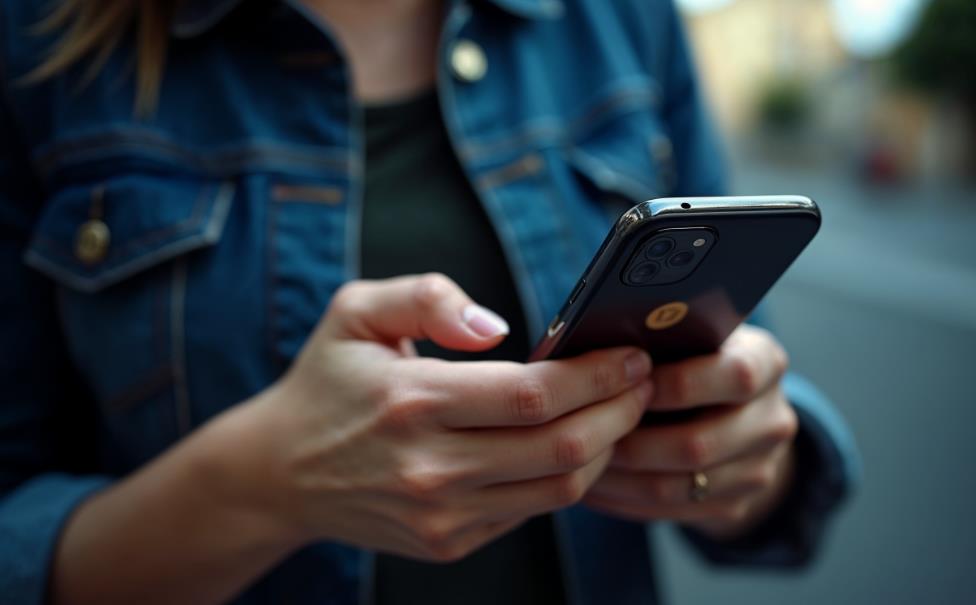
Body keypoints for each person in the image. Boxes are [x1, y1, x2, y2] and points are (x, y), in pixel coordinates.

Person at [0, 0, 859, 603]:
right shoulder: (38, 43)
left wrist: (741, 460)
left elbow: (752, 392)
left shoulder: (620, 16)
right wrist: (262, 486)